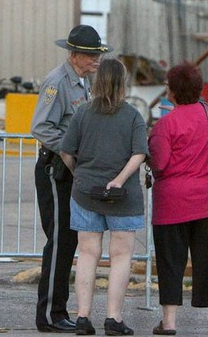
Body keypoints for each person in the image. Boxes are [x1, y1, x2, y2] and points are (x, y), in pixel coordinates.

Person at [31, 25, 113, 333]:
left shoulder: (85, 82)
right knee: (60, 240)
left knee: (68, 240)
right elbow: (41, 127)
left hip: (73, 168)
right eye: (91, 55)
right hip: (57, 168)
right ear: (74, 54)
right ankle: (51, 314)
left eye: (97, 55)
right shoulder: (57, 83)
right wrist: (68, 152)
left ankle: (58, 310)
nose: (96, 60)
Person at [60, 59, 148, 336]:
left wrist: (79, 175)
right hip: (123, 195)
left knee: (87, 254)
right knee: (121, 256)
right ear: (123, 83)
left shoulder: (83, 113)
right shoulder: (133, 115)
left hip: (85, 192)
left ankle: (83, 318)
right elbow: (139, 153)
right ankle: (113, 318)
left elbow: (66, 151)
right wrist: (119, 180)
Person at [148, 61, 208, 336]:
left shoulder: (166, 124)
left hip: (173, 204)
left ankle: (169, 322)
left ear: (172, 91)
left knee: (171, 262)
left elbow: (159, 164)